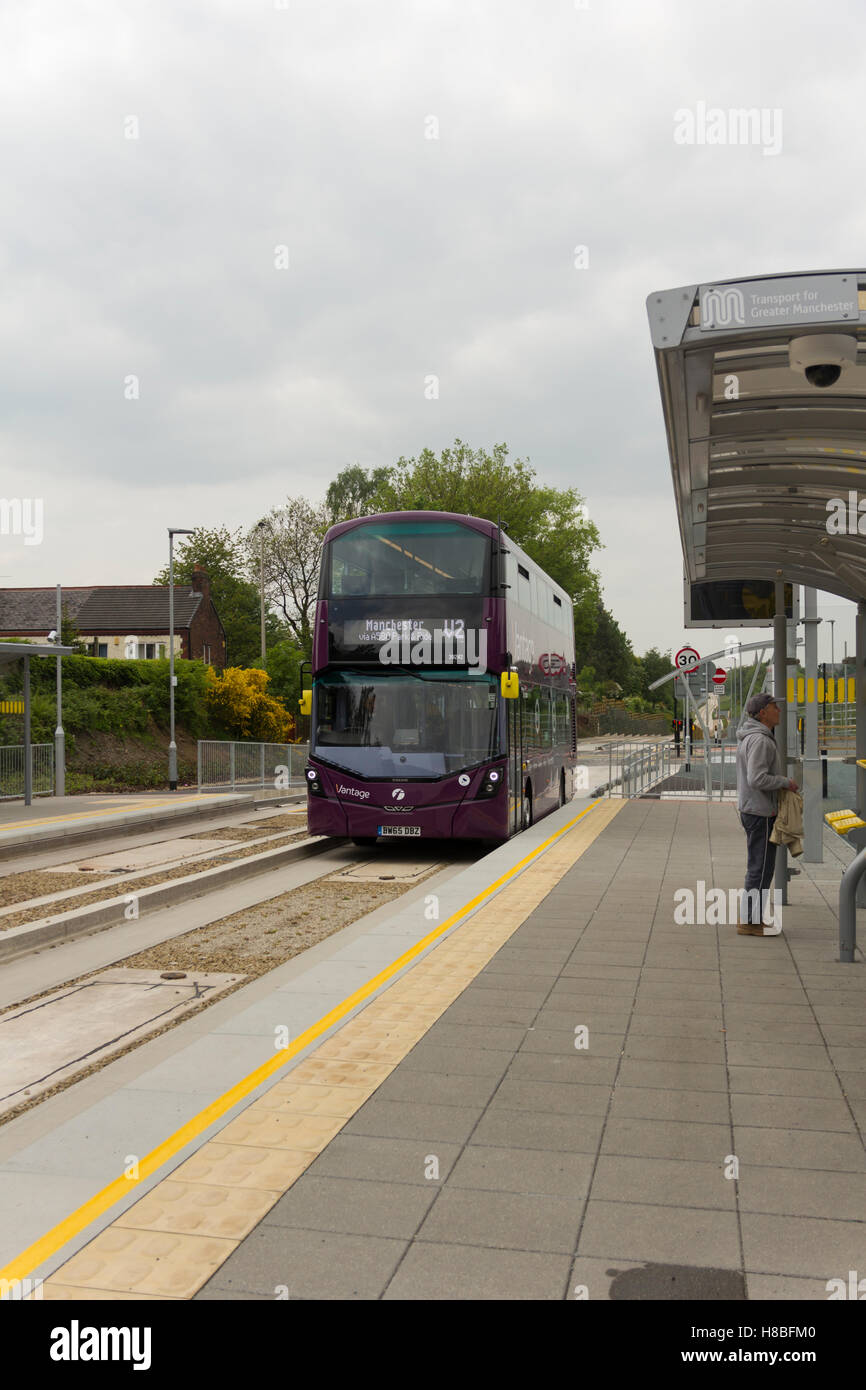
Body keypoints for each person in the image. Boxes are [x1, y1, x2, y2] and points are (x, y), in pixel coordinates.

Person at [735, 693, 798, 936]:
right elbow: (757, 777)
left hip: (755, 808)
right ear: (762, 713)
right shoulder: (760, 741)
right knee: (760, 868)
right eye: (774, 707)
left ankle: (751, 918)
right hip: (760, 812)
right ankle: (750, 921)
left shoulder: (753, 737)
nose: (779, 711)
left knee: (759, 866)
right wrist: (785, 782)